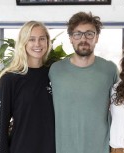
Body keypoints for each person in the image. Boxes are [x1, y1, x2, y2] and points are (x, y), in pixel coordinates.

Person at [49, 11, 119, 153]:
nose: (83, 39)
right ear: (70, 38)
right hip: (63, 149)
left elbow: (119, 109)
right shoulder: (55, 70)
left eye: (89, 34)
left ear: (96, 37)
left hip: (100, 148)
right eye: (77, 34)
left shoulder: (110, 69)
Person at [0, 21, 55, 153]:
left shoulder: (54, 74)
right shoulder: (9, 79)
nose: (37, 44)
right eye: (31, 39)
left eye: (42, 39)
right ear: (23, 43)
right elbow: (2, 125)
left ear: (47, 42)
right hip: (21, 148)